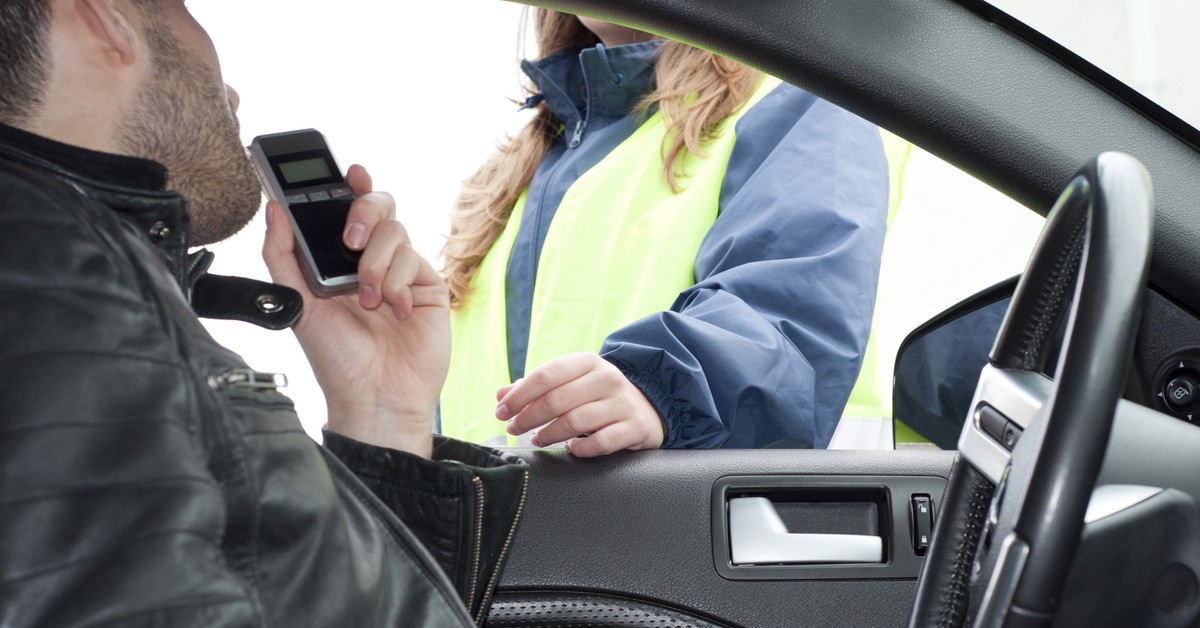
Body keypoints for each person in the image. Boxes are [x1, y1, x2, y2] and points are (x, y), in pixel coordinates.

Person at [0, 1, 525, 626]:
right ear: (105, 14)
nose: (231, 89)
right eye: (184, 7)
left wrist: (383, 414)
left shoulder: (69, 292)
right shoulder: (58, 303)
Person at [438, 10, 890, 456]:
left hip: (713, 525)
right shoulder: (501, 185)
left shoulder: (797, 100)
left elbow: (793, 309)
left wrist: (663, 392)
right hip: (532, 527)